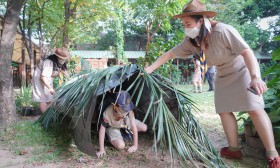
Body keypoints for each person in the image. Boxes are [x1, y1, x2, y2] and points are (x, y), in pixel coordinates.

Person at [144, 0, 280, 167]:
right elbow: (170, 54)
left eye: (188, 23)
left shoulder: (223, 31)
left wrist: (255, 77)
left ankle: (272, 154)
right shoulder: (192, 40)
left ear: (201, 20)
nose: (185, 27)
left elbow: (247, 52)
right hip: (222, 75)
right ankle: (234, 149)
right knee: (224, 110)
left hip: (242, 71)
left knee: (254, 108)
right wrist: (149, 69)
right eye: (183, 24)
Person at [96, 91, 147, 158]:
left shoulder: (129, 110)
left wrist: (135, 145)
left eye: (127, 108)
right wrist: (101, 150)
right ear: (115, 106)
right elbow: (102, 131)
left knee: (144, 127)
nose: (126, 110)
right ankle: (111, 136)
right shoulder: (107, 113)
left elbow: (133, 126)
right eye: (124, 108)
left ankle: (124, 131)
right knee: (120, 146)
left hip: (125, 121)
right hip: (112, 126)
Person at [32, 47, 70, 113]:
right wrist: (50, 88)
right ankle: (44, 117)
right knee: (43, 97)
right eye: (62, 58)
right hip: (40, 77)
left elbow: (64, 71)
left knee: (50, 97)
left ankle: (48, 115)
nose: (63, 60)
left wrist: (70, 79)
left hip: (48, 78)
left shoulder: (61, 61)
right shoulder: (48, 62)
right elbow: (43, 77)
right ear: (57, 56)